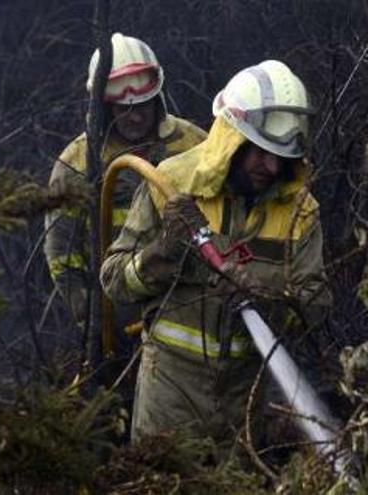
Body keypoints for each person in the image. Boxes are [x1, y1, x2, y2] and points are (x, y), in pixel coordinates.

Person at [100, 60, 332, 457]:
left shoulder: (300, 210)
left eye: (281, 156)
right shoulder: (170, 184)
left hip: (243, 403)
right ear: (229, 140)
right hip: (169, 396)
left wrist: (270, 299)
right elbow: (115, 280)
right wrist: (163, 254)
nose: (271, 167)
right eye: (258, 152)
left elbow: (316, 303)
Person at [45, 33, 206, 356]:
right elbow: (62, 258)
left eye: (142, 105)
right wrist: (92, 321)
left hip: (189, 311)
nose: (134, 116)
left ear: (157, 98)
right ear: (102, 107)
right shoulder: (78, 162)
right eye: (122, 108)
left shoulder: (194, 144)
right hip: (116, 319)